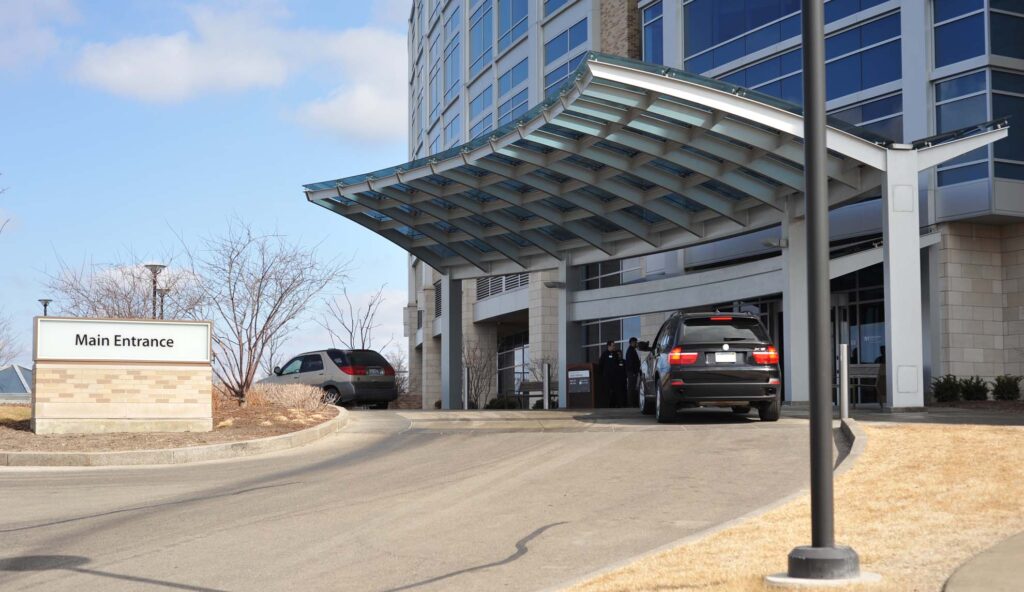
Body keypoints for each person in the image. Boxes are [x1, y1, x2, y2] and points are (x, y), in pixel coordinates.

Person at [597, 340, 623, 408]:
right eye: (613, 345)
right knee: (607, 392)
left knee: (616, 391)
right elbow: (600, 365)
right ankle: (606, 405)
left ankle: (616, 404)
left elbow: (619, 364)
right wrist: (602, 375)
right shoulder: (604, 354)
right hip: (607, 377)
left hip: (615, 377)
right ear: (609, 346)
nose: (614, 347)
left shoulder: (615, 354)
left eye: (614, 345)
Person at [625, 337, 641, 408]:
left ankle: (632, 403)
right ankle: (631, 404)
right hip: (632, 372)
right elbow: (631, 363)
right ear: (632, 343)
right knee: (631, 388)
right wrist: (634, 372)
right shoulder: (630, 351)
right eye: (635, 342)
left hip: (632, 372)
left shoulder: (632, 350)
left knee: (633, 387)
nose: (636, 344)